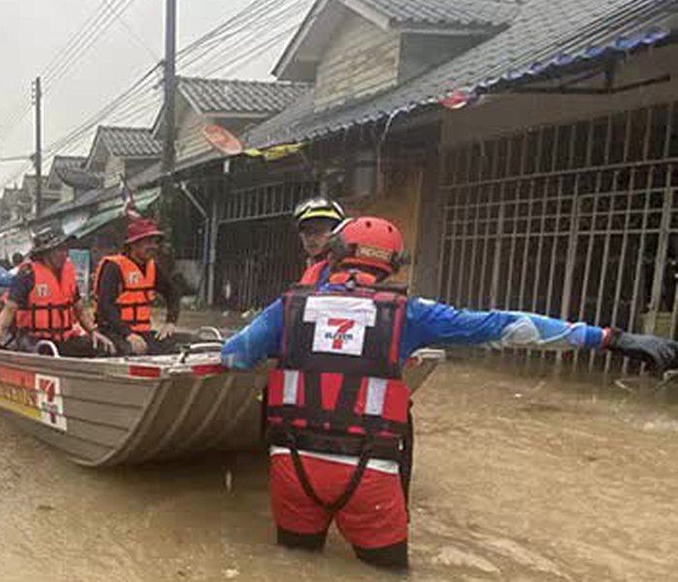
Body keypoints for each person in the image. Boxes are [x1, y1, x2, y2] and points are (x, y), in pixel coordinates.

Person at [222, 216, 678, 571]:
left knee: (294, 564)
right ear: (391, 264)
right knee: (384, 572)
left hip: (293, 463)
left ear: (336, 255)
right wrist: (610, 338)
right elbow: (508, 326)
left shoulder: (288, 306)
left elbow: (235, 356)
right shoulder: (411, 314)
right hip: (370, 471)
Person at [0, 227, 114, 357]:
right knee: (46, 351)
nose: (64, 254)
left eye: (65, 249)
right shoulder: (27, 274)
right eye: (59, 250)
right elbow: (10, 308)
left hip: (64, 339)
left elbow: (79, 309)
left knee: (101, 348)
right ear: (46, 253)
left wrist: (93, 331)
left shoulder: (68, 272)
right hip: (34, 340)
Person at [94, 217, 183, 355]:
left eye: (154, 242)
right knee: (132, 350)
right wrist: (128, 334)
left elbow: (172, 292)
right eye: (147, 242)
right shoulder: (113, 267)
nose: (153, 246)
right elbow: (105, 306)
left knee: (186, 344)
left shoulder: (152, 267)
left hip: (142, 332)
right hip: (114, 332)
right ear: (133, 244)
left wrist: (170, 322)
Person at [293, 197, 346, 287]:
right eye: (307, 231)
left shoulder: (343, 269)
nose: (312, 238)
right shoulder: (309, 267)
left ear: (337, 232)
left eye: (320, 230)